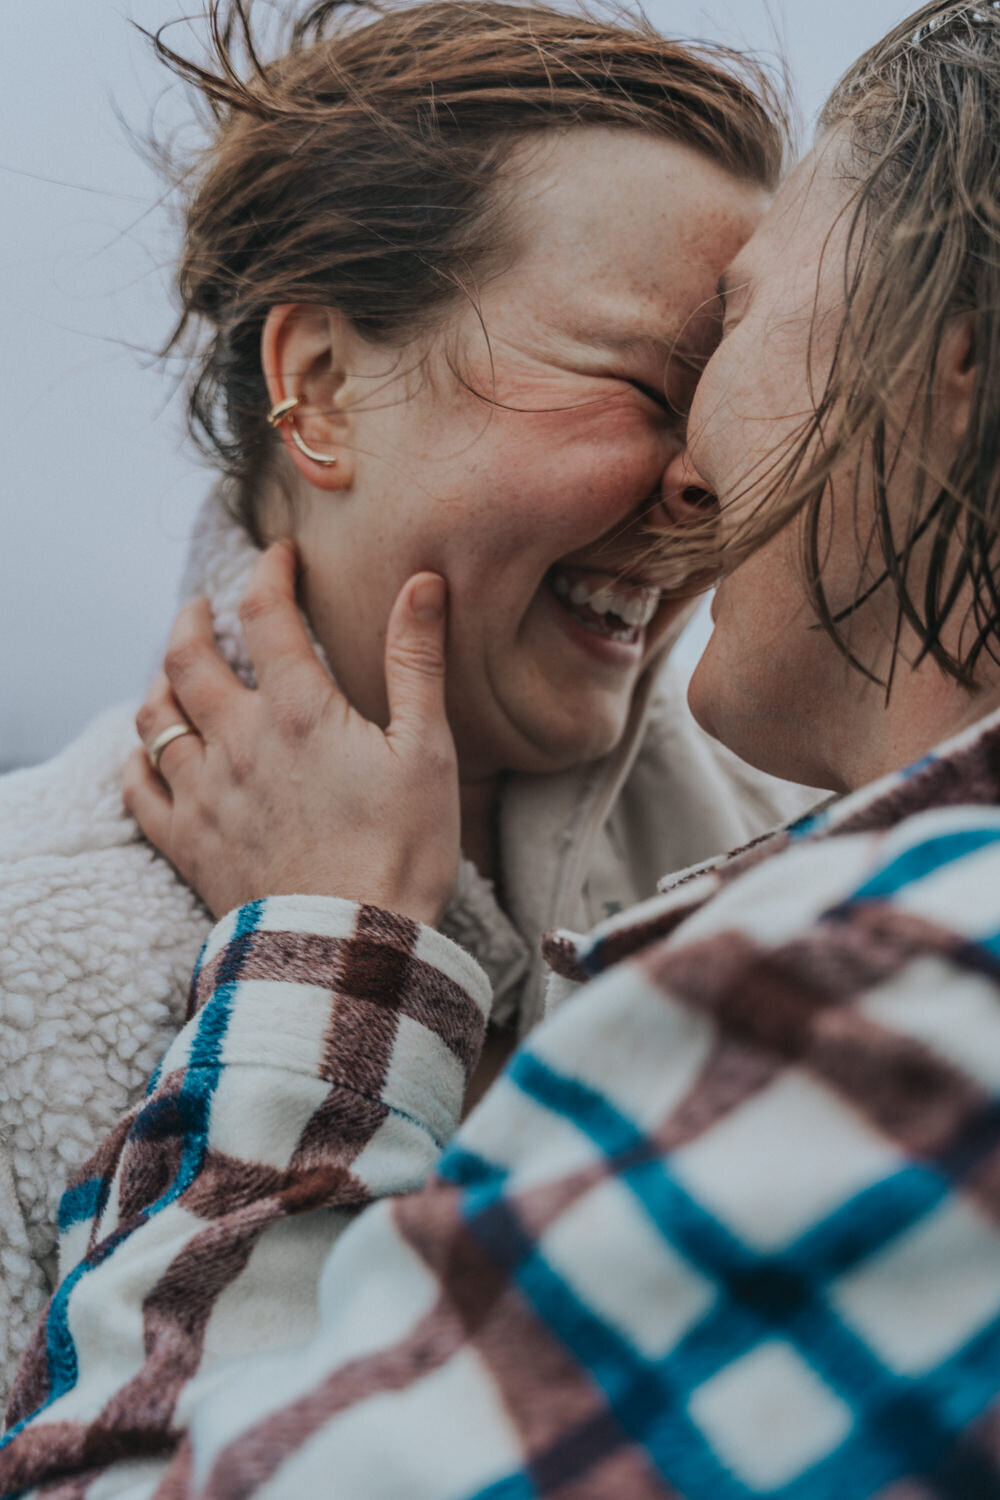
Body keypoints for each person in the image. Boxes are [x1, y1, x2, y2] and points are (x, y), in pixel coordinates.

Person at [5, 1, 1000, 1493]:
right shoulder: (30, 950)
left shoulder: (836, 930)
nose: (711, 481)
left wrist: (332, 967)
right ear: (324, 386)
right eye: (651, 385)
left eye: (743, 370)